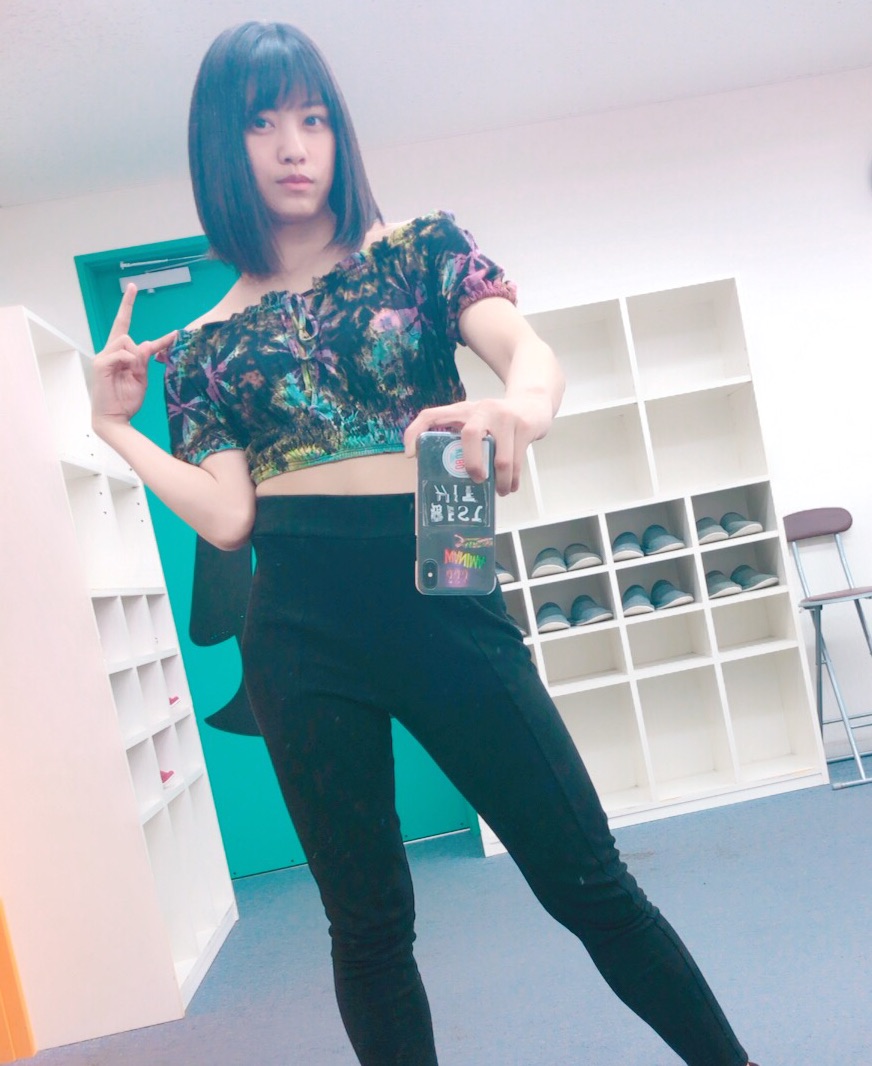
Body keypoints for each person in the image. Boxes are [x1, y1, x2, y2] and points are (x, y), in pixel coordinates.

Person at [90, 20, 759, 1066]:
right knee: (366, 928)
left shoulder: (417, 249)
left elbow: (527, 354)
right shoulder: (210, 341)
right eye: (262, 123)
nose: (295, 146)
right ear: (221, 146)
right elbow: (227, 517)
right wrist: (115, 429)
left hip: (445, 556)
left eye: (314, 118)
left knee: (588, 881)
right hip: (298, 620)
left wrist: (516, 411)